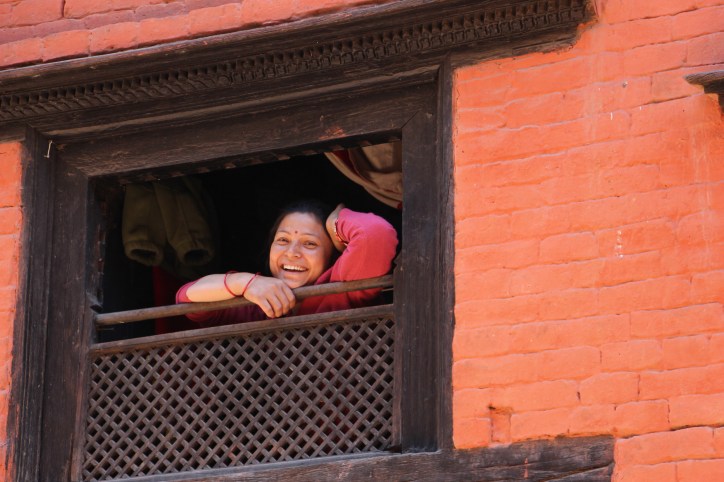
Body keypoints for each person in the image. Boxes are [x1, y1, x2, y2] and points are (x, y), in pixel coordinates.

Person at [176, 200, 398, 325]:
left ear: (331, 255)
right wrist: (245, 283)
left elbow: (375, 233)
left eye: (309, 243)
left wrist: (335, 221)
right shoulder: (256, 305)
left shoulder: (343, 288)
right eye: (283, 240)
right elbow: (186, 299)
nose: (292, 253)